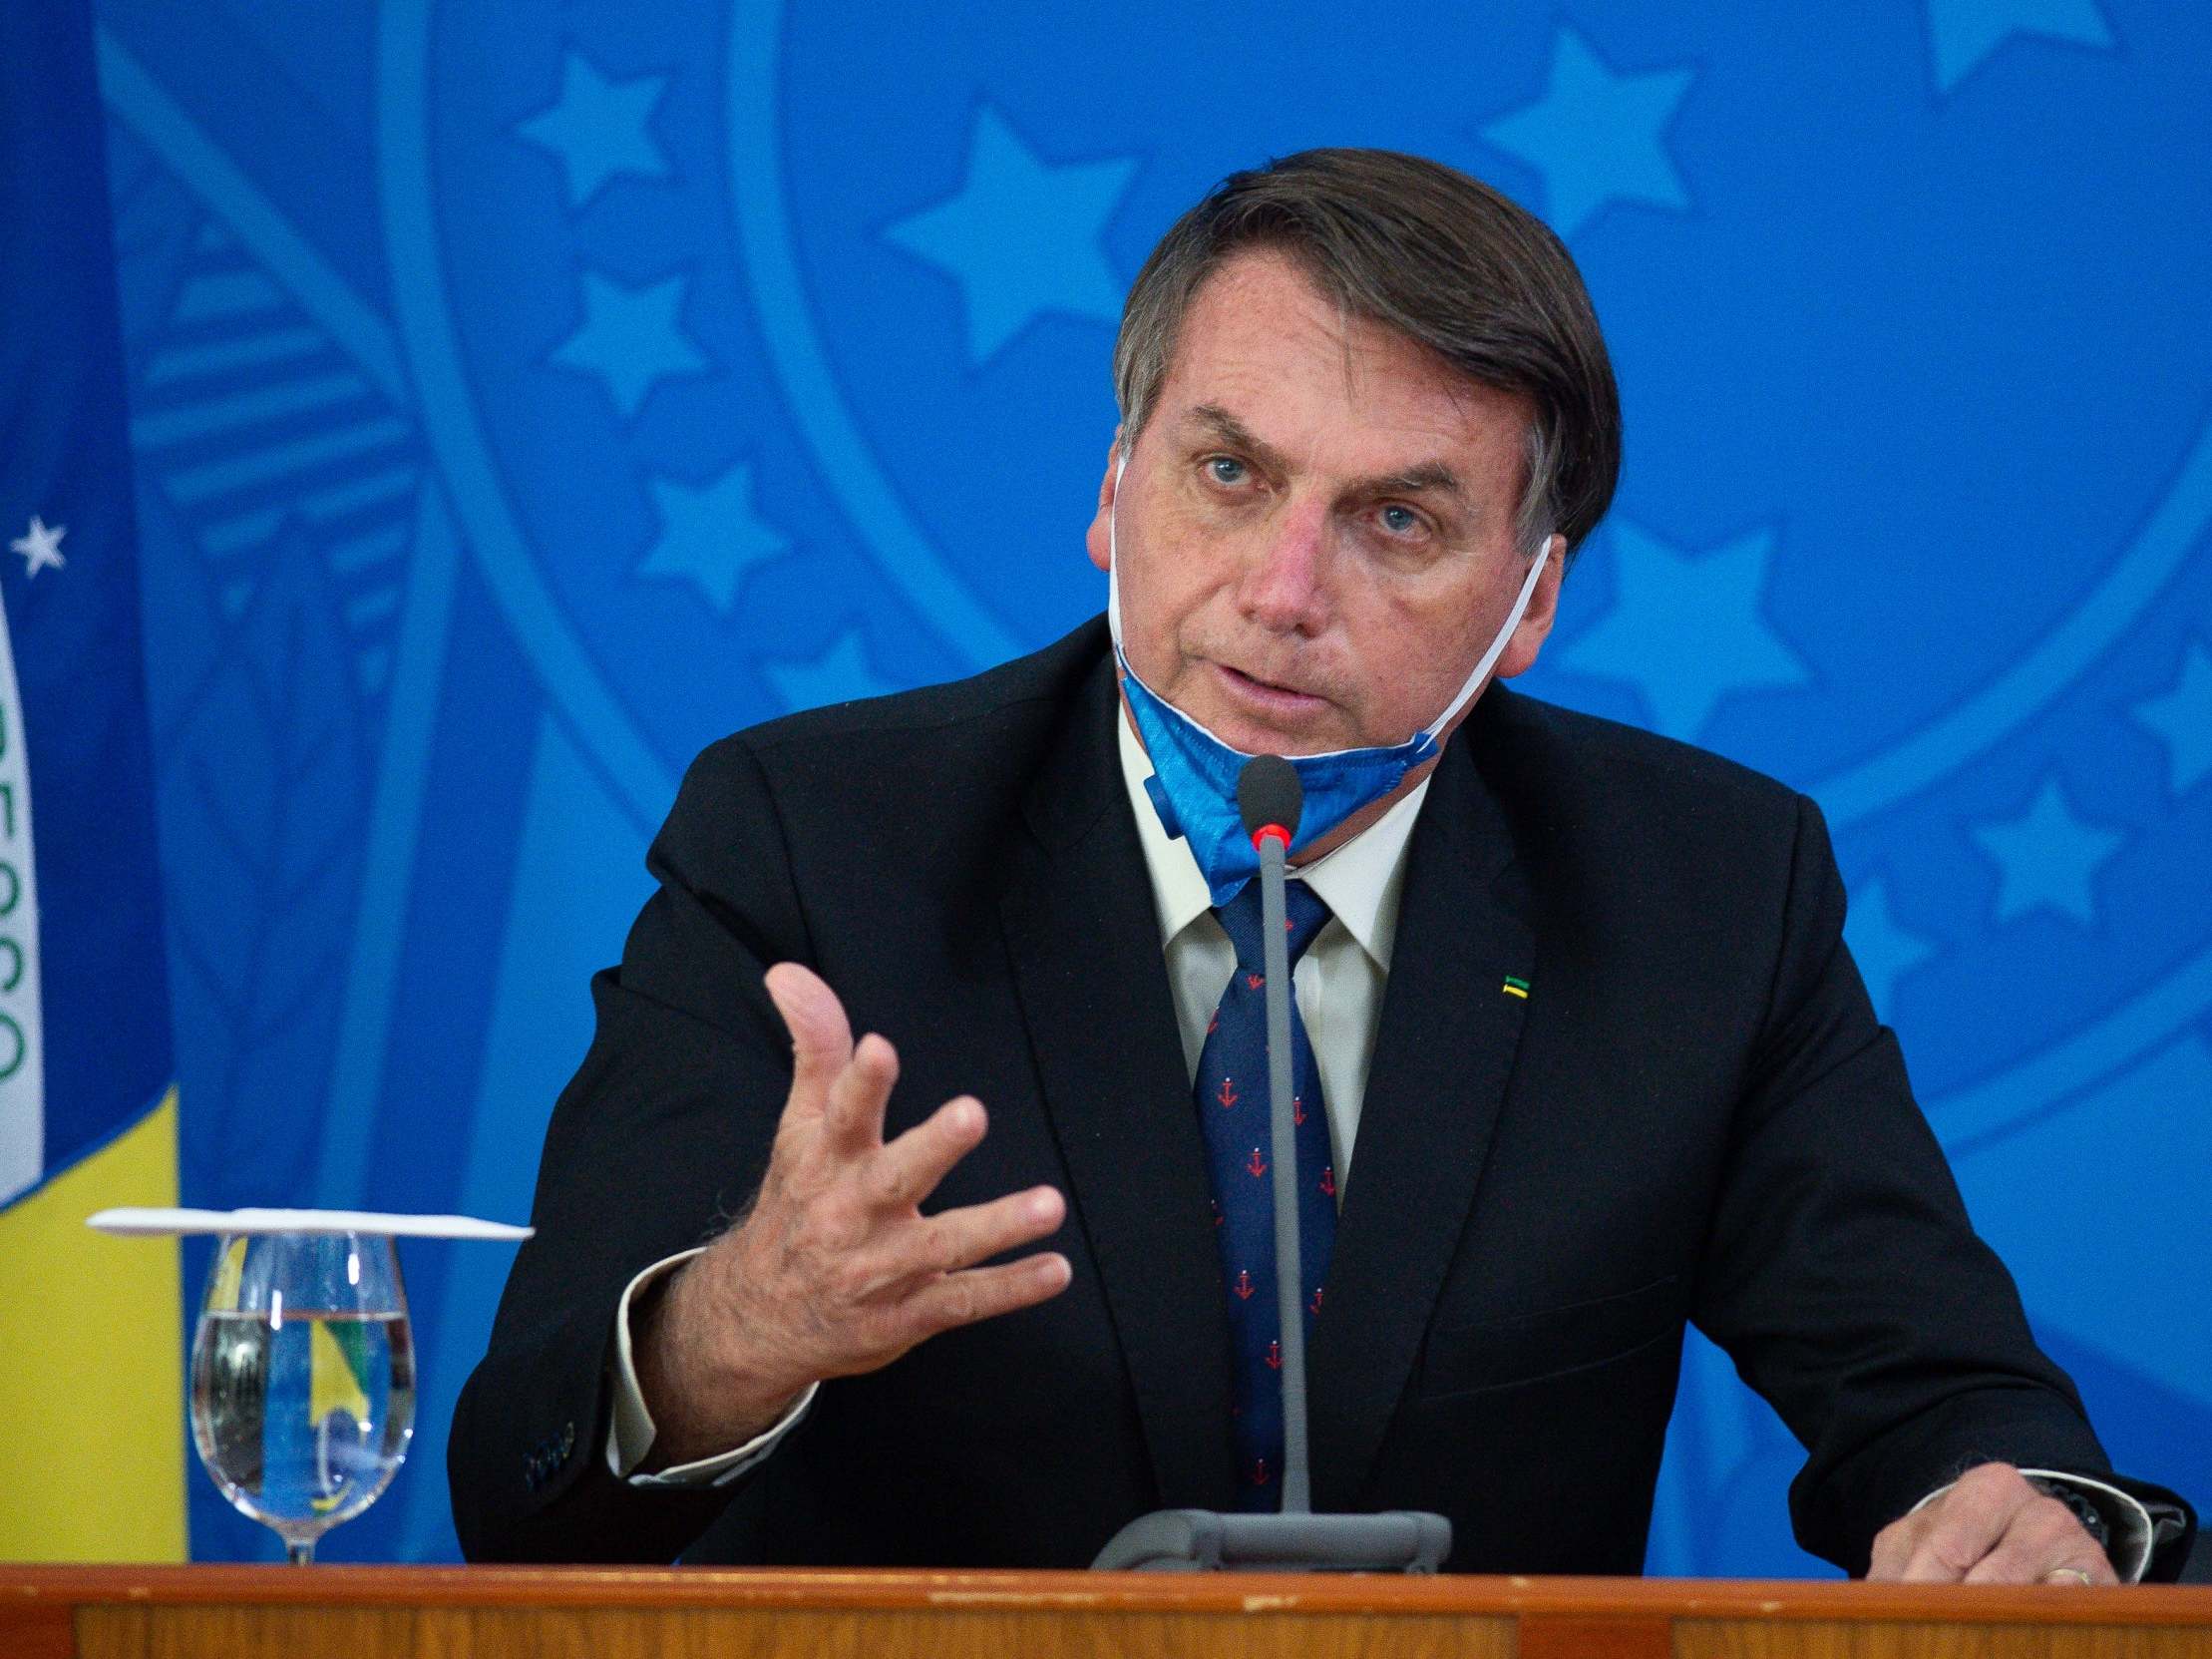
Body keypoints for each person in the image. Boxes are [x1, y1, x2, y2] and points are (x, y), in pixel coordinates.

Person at [449, 149, 2193, 1579]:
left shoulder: (1706, 894)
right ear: (1114, 483)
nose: (1285, 593)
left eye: (1399, 521)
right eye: (1227, 473)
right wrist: (738, 1325)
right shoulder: (816, 841)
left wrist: (2028, 1523)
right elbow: (522, 1488)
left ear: (1533, 602)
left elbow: (1942, 1403)